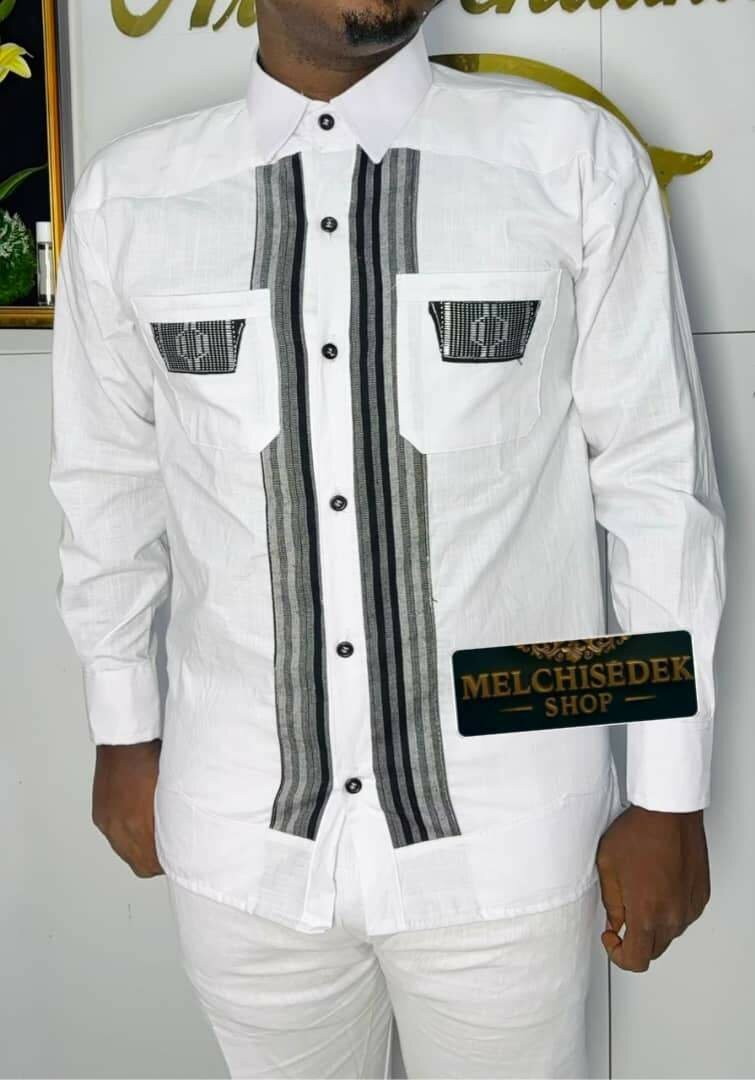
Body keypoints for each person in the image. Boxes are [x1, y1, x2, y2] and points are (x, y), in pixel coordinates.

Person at [48, 0, 726, 1076]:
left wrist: (665, 793)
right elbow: (107, 490)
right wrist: (123, 729)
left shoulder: (566, 161)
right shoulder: (133, 198)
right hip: (243, 830)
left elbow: (651, 489)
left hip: (507, 831)